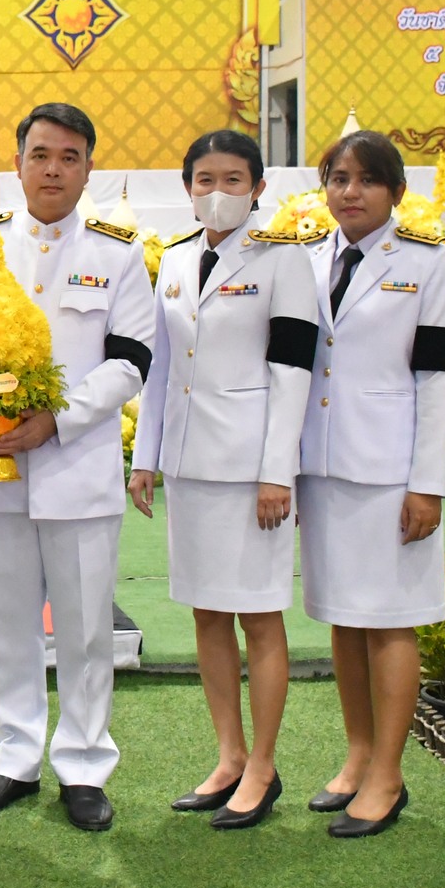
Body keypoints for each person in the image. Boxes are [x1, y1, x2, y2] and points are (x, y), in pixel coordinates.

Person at [0, 104, 157, 833]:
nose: (53, 169)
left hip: (76, 465)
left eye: (68, 157)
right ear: (18, 163)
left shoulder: (117, 252)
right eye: (40, 155)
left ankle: (85, 764)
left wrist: (56, 419)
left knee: (86, 628)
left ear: (88, 168)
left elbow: (131, 360)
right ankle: (15, 755)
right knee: (8, 623)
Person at [128, 129, 318, 831]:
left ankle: (263, 765)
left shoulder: (283, 260)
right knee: (207, 613)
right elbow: (159, 368)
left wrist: (278, 471)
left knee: (259, 616)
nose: (218, 192)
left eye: (233, 179)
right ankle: (229, 754)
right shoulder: (177, 258)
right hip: (189, 465)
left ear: (258, 188)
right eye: (204, 179)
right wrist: (145, 456)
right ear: (187, 187)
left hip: (251, 471)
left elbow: (293, 371)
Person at [299, 130, 445, 838]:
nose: (350, 192)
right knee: (345, 615)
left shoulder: (427, 264)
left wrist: (427, 484)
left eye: (366, 179)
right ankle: (359, 754)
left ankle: (389, 775)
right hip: (324, 467)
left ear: (395, 190)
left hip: (392, 473)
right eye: (338, 178)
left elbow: (439, 378)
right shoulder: (307, 259)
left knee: (390, 618)